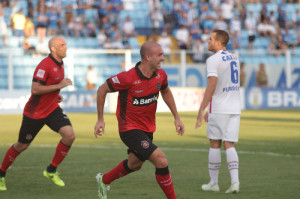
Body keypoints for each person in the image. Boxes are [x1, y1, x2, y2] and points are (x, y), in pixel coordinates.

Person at [94, 41, 185, 199]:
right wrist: (100, 119)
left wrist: (177, 117)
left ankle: (103, 180)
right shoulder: (128, 78)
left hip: (147, 129)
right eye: (160, 55)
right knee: (161, 160)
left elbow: (166, 91)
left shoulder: (161, 75)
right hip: (129, 129)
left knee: (134, 165)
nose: (163, 58)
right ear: (148, 57)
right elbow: (102, 89)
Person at [0, 37, 76, 191]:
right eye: (62, 45)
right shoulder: (44, 65)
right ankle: (1, 174)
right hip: (35, 113)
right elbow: (35, 89)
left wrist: (56, 94)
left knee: (69, 136)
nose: (66, 47)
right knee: (22, 145)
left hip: (52, 109)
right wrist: (59, 86)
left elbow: (50, 86)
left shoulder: (60, 64)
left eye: (65, 44)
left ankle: (51, 170)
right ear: (53, 49)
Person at [195, 30, 241, 194]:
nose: (207, 41)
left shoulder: (212, 60)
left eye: (211, 39)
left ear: (219, 42)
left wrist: (202, 109)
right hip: (235, 107)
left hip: (219, 107)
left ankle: (214, 183)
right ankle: (235, 183)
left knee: (215, 143)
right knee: (229, 144)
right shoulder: (234, 57)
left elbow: (212, 85)